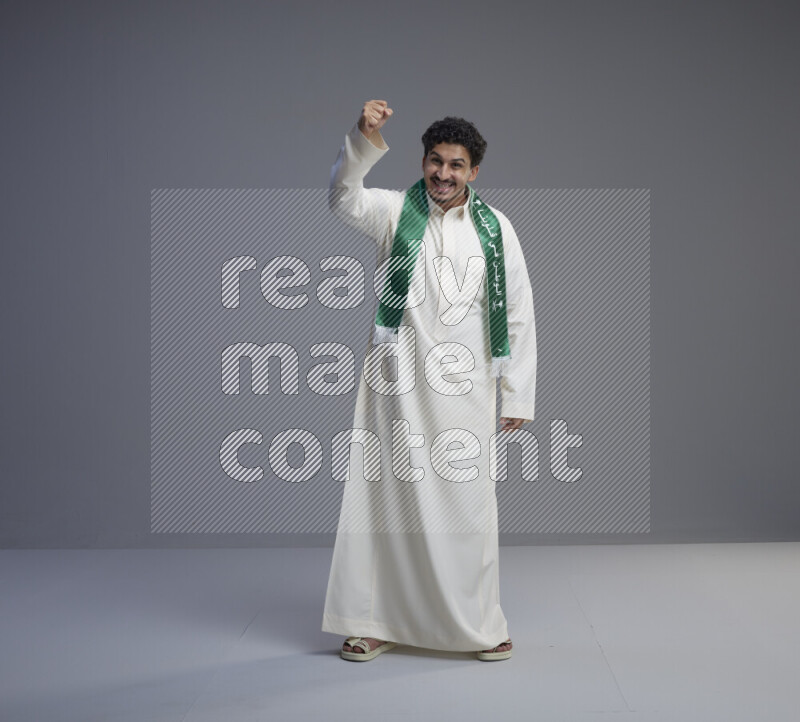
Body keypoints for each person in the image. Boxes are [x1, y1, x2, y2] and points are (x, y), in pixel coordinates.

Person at [321, 100, 537, 662]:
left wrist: (516, 392)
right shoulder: (394, 212)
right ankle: (375, 620)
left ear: (474, 172)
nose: (443, 173)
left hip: (466, 392)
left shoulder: (497, 231)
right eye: (434, 161)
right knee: (385, 504)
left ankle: (478, 622)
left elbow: (517, 311)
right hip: (397, 386)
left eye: (456, 165)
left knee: (467, 510)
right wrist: (364, 137)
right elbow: (343, 197)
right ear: (422, 162)